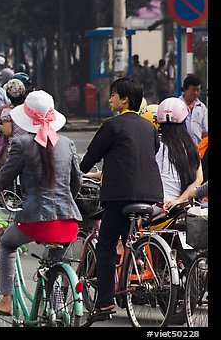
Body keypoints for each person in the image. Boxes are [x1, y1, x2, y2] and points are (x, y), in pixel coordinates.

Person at [0, 90, 83, 316]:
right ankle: (57, 306)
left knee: (7, 244)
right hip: (69, 222)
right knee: (54, 262)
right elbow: (75, 183)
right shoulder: (67, 143)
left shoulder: (22, 144)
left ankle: (6, 300)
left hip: (36, 220)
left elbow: (5, 177)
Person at [79, 77, 163, 320]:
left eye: (113, 95)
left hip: (119, 195)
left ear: (124, 99)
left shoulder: (112, 125)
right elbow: (151, 151)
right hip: (150, 194)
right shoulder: (149, 127)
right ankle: (135, 264)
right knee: (130, 237)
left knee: (105, 245)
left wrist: (80, 172)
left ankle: (105, 302)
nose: (110, 99)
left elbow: (90, 157)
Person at [152, 97, 203, 214]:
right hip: (181, 207)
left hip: (154, 208)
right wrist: (178, 201)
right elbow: (198, 180)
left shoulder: (154, 147)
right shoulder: (191, 149)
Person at [0, 78, 27, 180]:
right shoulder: (29, 109)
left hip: (13, 150)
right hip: (31, 148)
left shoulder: (8, 112)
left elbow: (7, 131)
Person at [179, 75, 208, 147]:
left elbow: (205, 132)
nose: (196, 93)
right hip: (181, 149)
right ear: (185, 89)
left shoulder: (202, 108)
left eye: (198, 90)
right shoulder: (177, 106)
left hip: (198, 149)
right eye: (193, 90)